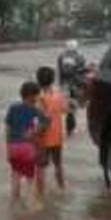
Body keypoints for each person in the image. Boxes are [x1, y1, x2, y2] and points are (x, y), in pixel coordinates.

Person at [5, 81, 50, 205]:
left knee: (15, 176)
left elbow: (7, 129)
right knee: (30, 178)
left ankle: (14, 202)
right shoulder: (35, 110)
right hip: (27, 148)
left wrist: (8, 147)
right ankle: (30, 204)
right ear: (32, 96)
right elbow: (47, 122)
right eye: (37, 95)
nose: (38, 97)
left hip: (13, 147)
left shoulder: (13, 108)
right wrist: (35, 131)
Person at [34, 66, 69, 198]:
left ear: (38, 80)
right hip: (57, 137)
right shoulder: (58, 95)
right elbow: (65, 110)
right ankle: (62, 188)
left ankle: (40, 195)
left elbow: (38, 117)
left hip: (43, 138)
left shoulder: (39, 98)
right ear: (53, 80)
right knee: (58, 165)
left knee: (40, 167)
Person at [58, 39, 87, 136]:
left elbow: (60, 72)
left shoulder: (61, 56)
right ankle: (71, 128)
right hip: (76, 84)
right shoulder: (80, 56)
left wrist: (61, 84)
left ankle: (70, 127)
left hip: (66, 85)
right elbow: (83, 72)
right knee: (73, 106)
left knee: (69, 105)